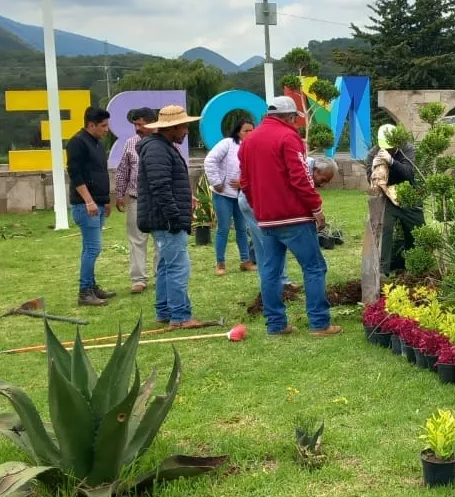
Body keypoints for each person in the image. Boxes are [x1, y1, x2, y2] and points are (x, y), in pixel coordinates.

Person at [239, 96, 341, 337]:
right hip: (294, 217)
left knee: (270, 270)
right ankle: (319, 323)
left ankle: (276, 324)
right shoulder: (289, 137)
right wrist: (316, 208)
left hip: (266, 218)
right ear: (290, 117)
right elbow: (301, 177)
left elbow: (244, 182)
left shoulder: (249, 140)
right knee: (314, 267)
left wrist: (259, 208)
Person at [136, 105, 214, 330]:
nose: (187, 131)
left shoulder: (161, 147)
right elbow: (160, 186)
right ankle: (180, 316)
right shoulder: (158, 149)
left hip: (162, 218)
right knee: (178, 266)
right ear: (172, 127)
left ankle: (164, 311)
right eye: (184, 126)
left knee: (166, 265)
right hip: (166, 219)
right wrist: (174, 216)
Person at [68, 107, 115, 307]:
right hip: (85, 205)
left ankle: (92, 285)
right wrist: (88, 200)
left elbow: (99, 173)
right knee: (93, 248)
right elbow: (75, 174)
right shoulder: (77, 143)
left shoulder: (96, 143)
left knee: (90, 248)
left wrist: (105, 201)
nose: (107, 130)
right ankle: (84, 291)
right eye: (103, 126)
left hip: (98, 203)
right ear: (91, 125)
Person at [203, 118, 256, 276]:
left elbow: (256, 170)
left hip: (241, 194)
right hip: (223, 194)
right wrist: (217, 182)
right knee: (223, 228)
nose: (249, 133)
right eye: (246, 130)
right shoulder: (227, 144)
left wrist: (244, 183)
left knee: (242, 228)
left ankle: (245, 260)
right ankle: (220, 263)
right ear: (238, 132)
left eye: (252, 130)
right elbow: (210, 161)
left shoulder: (254, 147)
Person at [369, 123, 423, 275]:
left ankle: (416, 267)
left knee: (417, 230)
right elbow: (371, 182)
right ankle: (382, 271)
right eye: (385, 147)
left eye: (391, 147)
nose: (388, 150)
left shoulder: (407, 149)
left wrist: (392, 162)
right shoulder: (373, 153)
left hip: (409, 195)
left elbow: (409, 173)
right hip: (386, 197)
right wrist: (375, 170)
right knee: (383, 230)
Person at [114, 107, 157, 294]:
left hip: (158, 199)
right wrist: (119, 193)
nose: (137, 128)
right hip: (136, 199)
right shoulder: (130, 143)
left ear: (150, 123)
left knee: (161, 239)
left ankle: (160, 274)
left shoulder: (165, 142)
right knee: (136, 240)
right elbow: (123, 170)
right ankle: (138, 279)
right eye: (135, 124)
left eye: (140, 124)